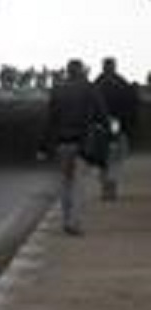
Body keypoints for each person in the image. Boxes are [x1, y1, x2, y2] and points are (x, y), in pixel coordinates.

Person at [42, 58, 110, 235]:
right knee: (79, 185)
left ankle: (65, 219)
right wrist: (108, 132)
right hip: (83, 143)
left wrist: (43, 146)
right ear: (82, 71)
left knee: (65, 183)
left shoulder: (57, 90)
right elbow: (102, 114)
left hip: (62, 143)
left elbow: (50, 120)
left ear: (67, 71)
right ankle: (74, 222)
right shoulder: (89, 88)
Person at [94, 57, 138, 201]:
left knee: (106, 160)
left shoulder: (97, 83)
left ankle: (107, 188)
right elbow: (132, 106)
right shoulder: (121, 83)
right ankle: (110, 188)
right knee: (113, 160)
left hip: (103, 125)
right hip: (115, 124)